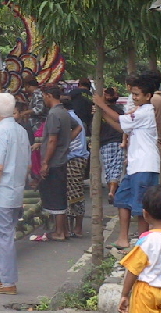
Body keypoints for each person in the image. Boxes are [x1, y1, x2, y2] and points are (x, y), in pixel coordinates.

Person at [93, 74, 160, 249]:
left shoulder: (145, 111)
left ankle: (142, 241)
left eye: (137, 94)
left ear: (147, 96)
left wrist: (102, 105)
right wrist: (103, 116)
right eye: (133, 94)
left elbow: (120, 119)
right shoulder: (138, 111)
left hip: (145, 165)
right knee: (122, 198)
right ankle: (123, 238)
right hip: (135, 166)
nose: (134, 97)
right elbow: (123, 126)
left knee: (140, 205)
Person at [0, 93, 30, 295]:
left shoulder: (0, 133)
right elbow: (26, 163)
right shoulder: (21, 131)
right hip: (15, 190)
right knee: (3, 236)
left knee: (3, 238)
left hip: (2, 193)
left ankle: (8, 281)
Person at [118, 186, 161, 313]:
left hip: (146, 293)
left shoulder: (148, 241)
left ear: (145, 213)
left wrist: (124, 294)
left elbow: (133, 269)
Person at [36, 85, 80, 241]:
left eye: (43, 96)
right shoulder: (64, 113)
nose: (43, 99)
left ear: (48, 95)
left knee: (55, 197)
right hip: (61, 159)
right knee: (59, 194)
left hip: (54, 161)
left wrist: (45, 162)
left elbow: (52, 140)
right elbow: (78, 127)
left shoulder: (54, 114)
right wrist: (66, 142)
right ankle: (63, 230)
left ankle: (60, 232)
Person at [65, 101, 89, 237]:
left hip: (73, 159)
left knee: (74, 195)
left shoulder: (70, 119)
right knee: (74, 194)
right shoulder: (74, 117)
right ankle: (74, 227)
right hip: (76, 159)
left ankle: (76, 228)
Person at [99, 87, 125, 205]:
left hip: (105, 143)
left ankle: (112, 191)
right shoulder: (119, 111)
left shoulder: (100, 112)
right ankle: (112, 191)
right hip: (119, 142)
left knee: (109, 168)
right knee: (117, 167)